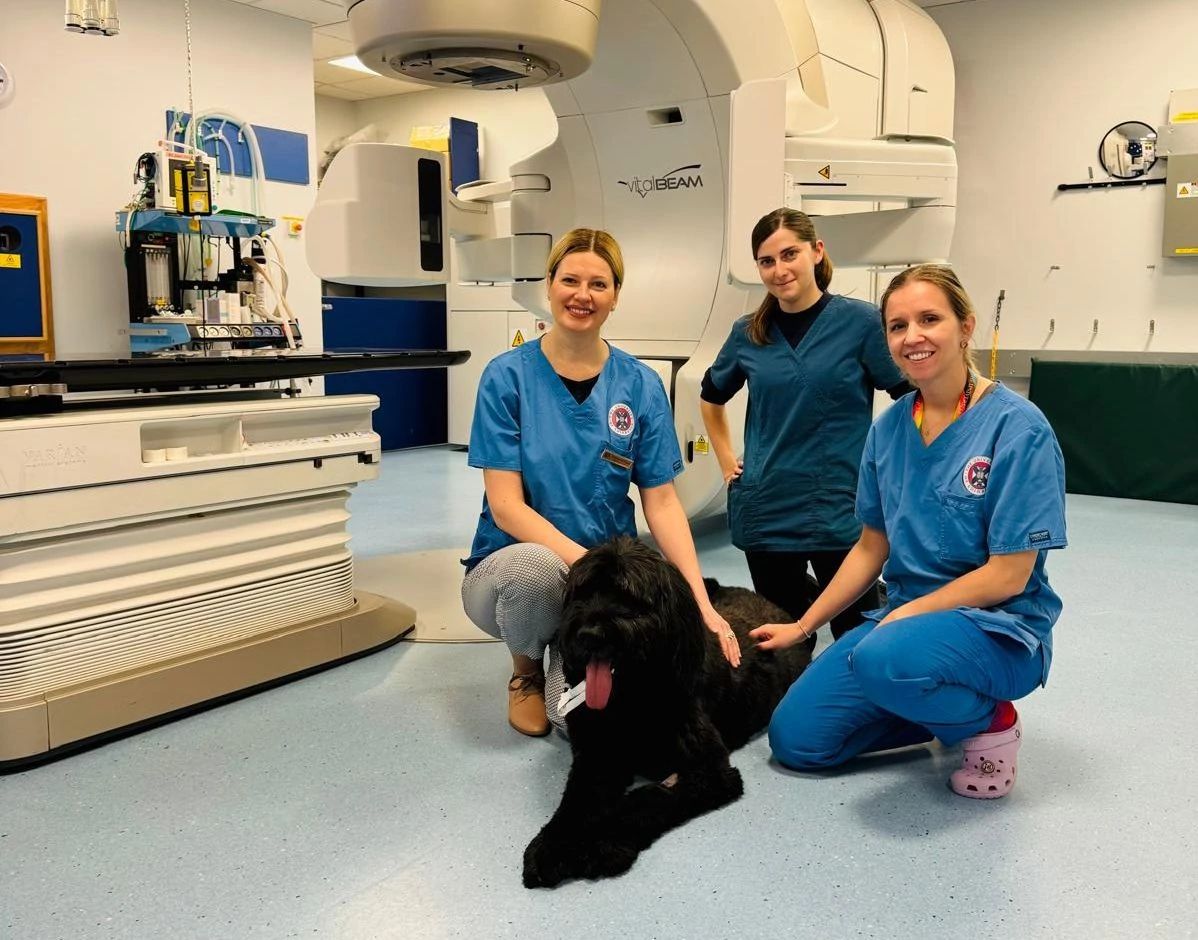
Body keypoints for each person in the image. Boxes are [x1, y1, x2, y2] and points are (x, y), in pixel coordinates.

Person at [751, 264, 1067, 799]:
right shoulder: (890, 429)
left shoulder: (1018, 427)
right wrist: (803, 626)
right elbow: (872, 546)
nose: (912, 337)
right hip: (903, 632)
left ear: (965, 327)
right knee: (797, 741)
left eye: (929, 319)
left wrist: (905, 616)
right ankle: (939, 709)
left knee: (883, 656)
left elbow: (1010, 575)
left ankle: (990, 722)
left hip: (997, 629)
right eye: (897, 326)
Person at [460, 227, 736, 737]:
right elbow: (506, 508)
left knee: (579, 724)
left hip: (600, 593)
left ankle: (574, 666)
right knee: (534, 570)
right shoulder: (507, 377)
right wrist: (588, 566)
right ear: (549, 284)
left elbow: (663, 502)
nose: (582, 295)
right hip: (513, 572)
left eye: (598, 284)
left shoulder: (639, 384)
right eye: (570, 280)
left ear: (615, 297)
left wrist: (700, 603)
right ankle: (525, 673)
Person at [700, 208, 909, 641]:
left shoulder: (861, 323)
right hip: (768, 507)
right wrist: (725, 460)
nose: (779, 270)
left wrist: (892, 465)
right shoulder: (749, 333)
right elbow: (711, 397)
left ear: (816, 252)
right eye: (767, 261)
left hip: (840, 505)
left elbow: (908, 397)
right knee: (784, 633)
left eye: (789, 254)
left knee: (855, 629)